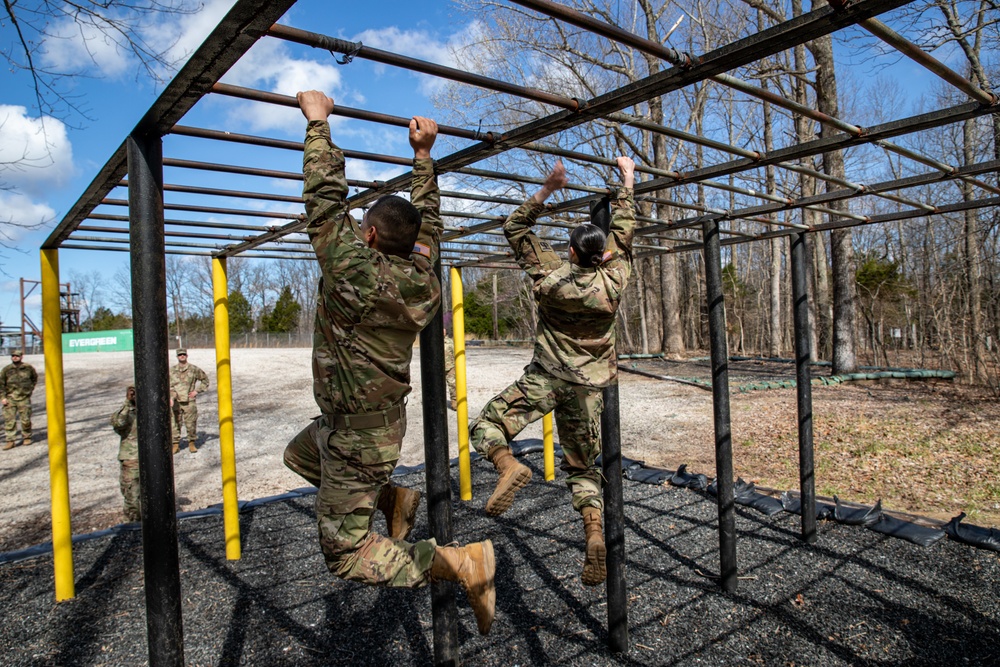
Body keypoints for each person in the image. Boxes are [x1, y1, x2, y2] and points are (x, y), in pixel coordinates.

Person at [281, 90, 495, 635]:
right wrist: (424, 156)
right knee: (298, 454)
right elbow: (426, 226)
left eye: (362, 229)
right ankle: (394, 496)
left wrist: (318, 124)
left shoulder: (354, 270)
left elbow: (327, 202)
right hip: (361, 426)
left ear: (371, 235)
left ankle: (460, 564)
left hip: (358, 437)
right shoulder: (423, 277)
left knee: (345, 555)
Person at [469, 157, 636, 587]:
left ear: (570, 252)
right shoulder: (615, 280)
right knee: (582, 468)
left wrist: (548, 188)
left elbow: (515, 229)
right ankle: (594, 532)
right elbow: (624, 229)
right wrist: (628, 180)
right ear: (603, 255)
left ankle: (507, 464)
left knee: (486, 424)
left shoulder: (549, 277)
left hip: (545, 378)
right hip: (588, 388)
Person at [110, 385, 141, 522]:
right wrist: (128, 403)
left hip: (152, 459)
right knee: (132, 496)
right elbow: (119, 424)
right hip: (132, 458)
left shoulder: (153, 410)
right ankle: (133, 525)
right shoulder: (127, 412)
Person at [169, 348, 209, 454]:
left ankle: (192, 443)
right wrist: (171, 397)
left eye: (183, 354)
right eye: (180, 355)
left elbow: (205, 380)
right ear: (177, 357)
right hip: (176, 402)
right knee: (175, 424)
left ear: (187, 356)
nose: (182, 356)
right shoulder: (171, 370)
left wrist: (197, 391)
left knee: (191, 423)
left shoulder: (194, 369)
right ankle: (175, 445)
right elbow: (168, 386)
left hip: (189, 402)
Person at [1, 349, 38, 450]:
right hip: (10, 398)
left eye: (17, 356)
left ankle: (27, 437)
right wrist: (3, 397)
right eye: (13, 356)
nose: (15, 357)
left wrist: (29, 390)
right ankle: (10, 440)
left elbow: (34, 379)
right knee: (9, 420)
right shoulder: (6, 369)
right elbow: (1, 384)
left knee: (25, 419)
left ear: (21, 357)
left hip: (23, 398)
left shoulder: (28, 368)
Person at [444, 328, 458, 411]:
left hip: (450, 367)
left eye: (444, 330)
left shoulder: (450, 342)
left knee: (452, 385)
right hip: (438, 368)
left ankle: (455, 402)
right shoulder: (434, 341)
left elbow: (455, 353)